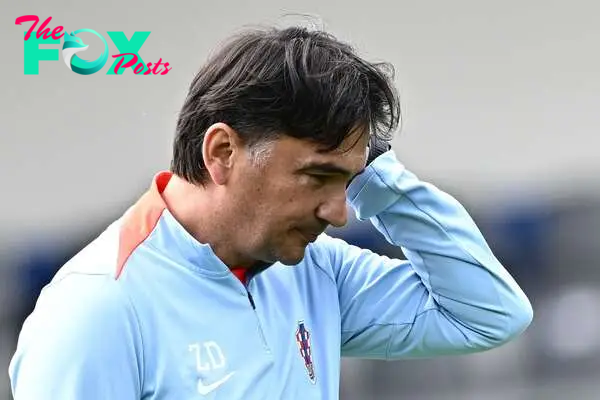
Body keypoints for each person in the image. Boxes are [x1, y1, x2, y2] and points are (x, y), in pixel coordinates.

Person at [8, 25, 533, 399]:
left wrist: (379, 179)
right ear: (222, 153)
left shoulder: (319, 269)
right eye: (316, 176)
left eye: (348, 181)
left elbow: (488, 315)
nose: (340, 213)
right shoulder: (97, 310)